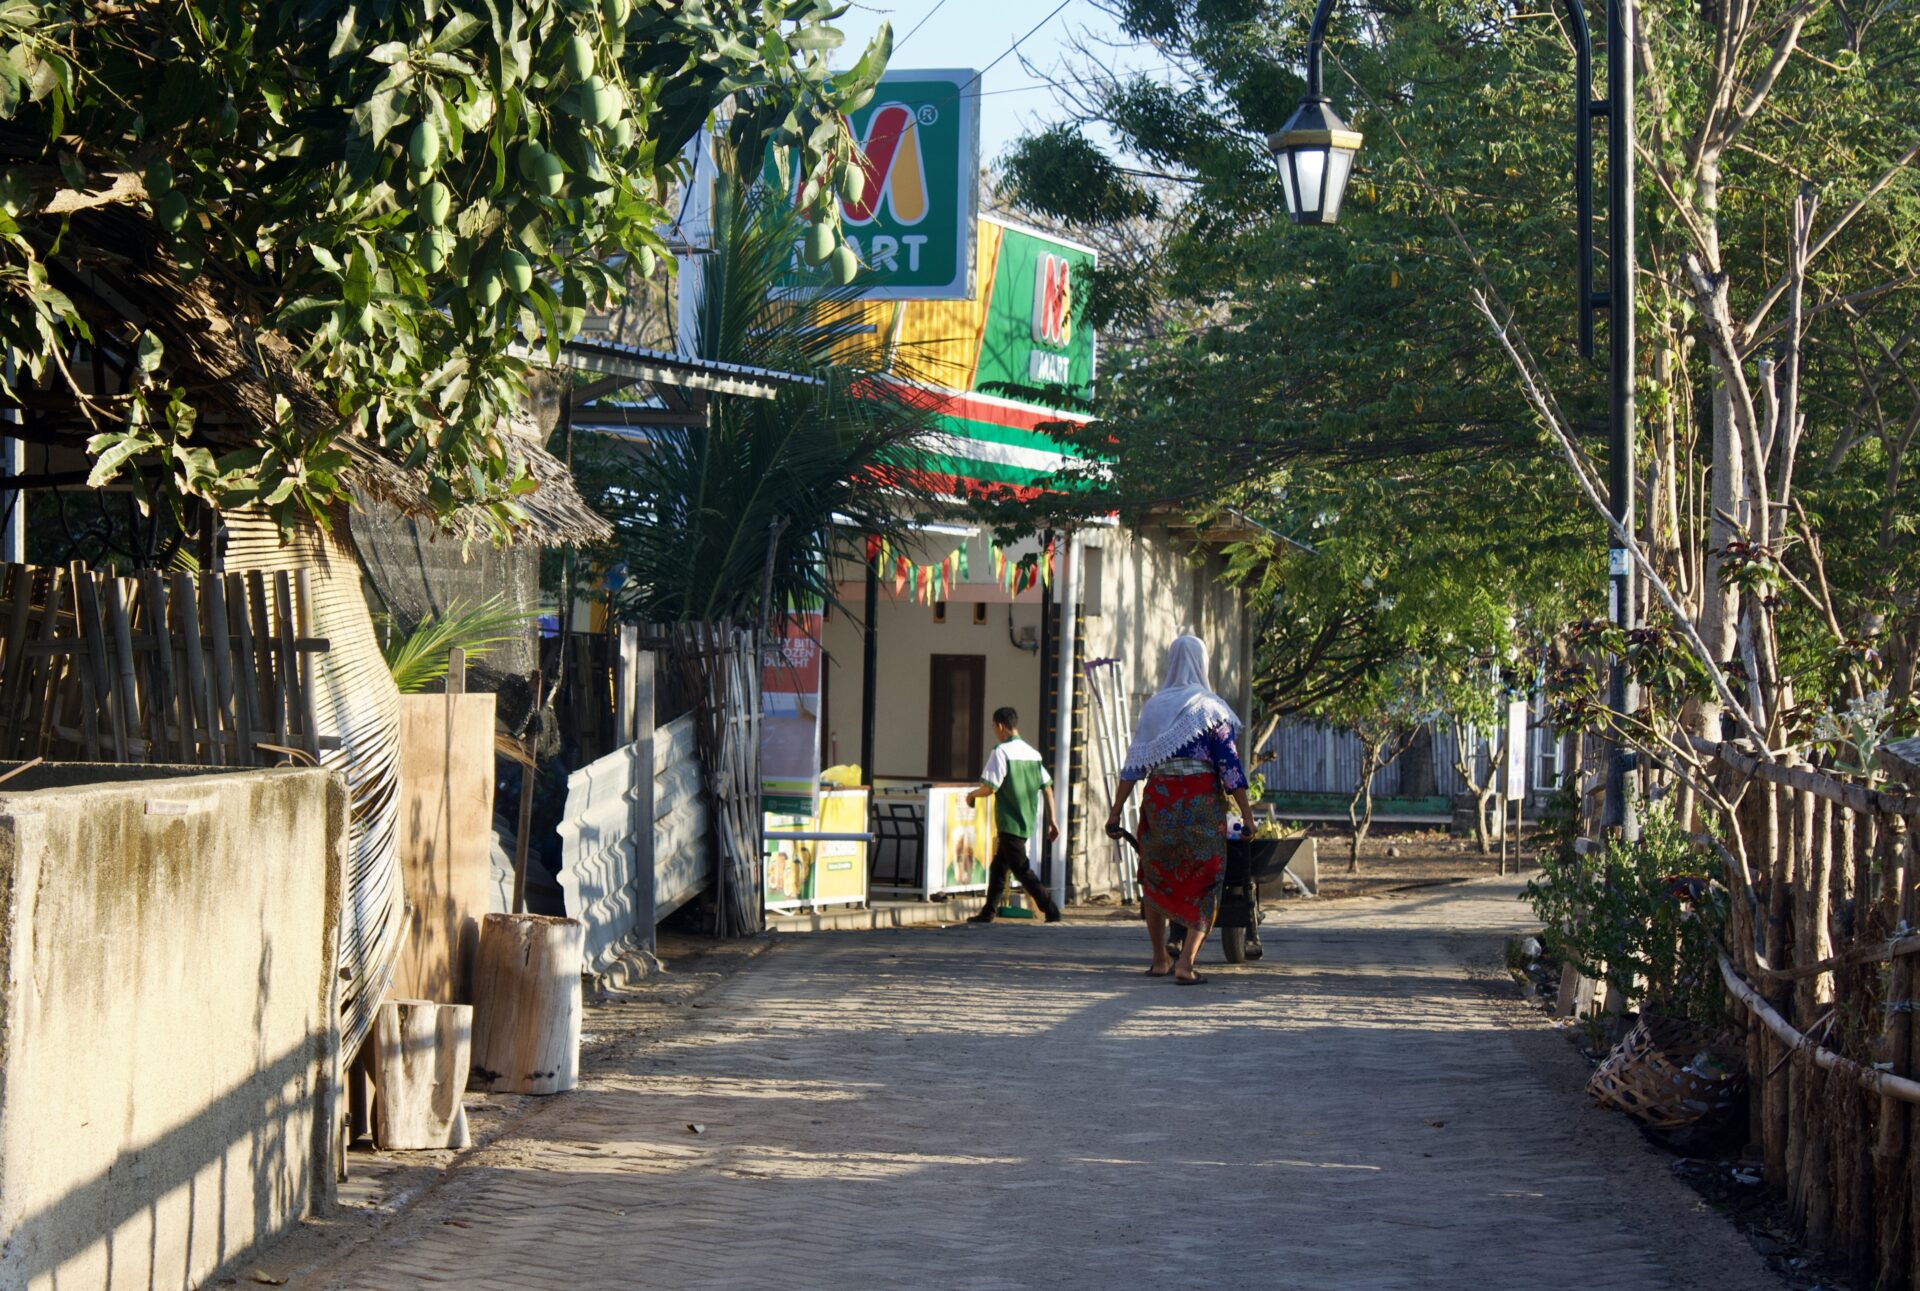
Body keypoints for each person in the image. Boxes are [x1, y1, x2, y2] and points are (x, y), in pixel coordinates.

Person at [1105, 635, 1253, 984]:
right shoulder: (1211, 708)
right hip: (1201, 804)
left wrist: (1115, 812)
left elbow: (1133, 766)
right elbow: (1229, 767)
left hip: (1160, 804)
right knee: (1207, 879)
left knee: (1155, 877)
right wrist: (1247, 816)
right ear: (1203, 662)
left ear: (1170, 662)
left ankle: (1160, 959)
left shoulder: (1154, 708)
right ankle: (1186, 963)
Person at [964, 706, 1063, 923]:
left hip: (1009, 821)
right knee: (999, 867)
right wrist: (1053, 820)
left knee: (1021, 869)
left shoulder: (1001, 752)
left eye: (993, 726)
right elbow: (1047, 787)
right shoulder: (1033, 754)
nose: (994, 731)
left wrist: (972, 795)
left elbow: (990, 787)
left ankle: (1050, 908)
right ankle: (988, 911)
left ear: (1000, 726)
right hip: (1027, 820)